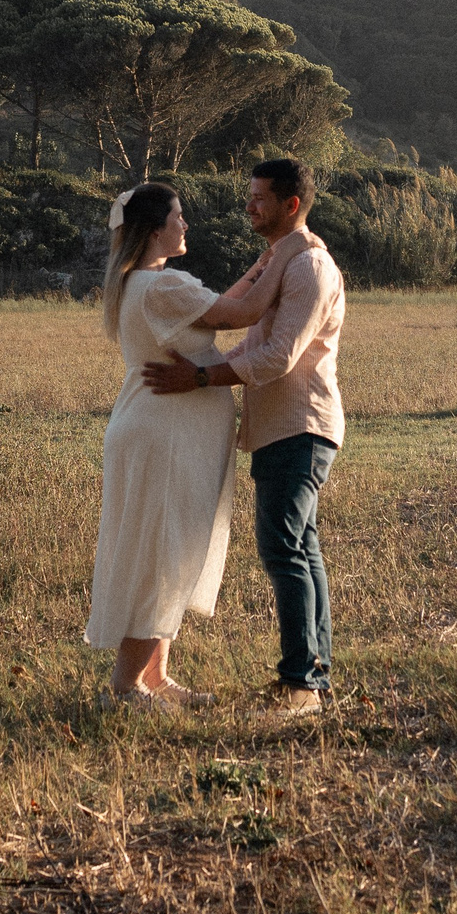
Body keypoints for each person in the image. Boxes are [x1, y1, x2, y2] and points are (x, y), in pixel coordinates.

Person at [144, 158, 345, 717]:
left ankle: (302, 685)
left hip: (301, 425)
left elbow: (278, 356)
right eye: (250, 195)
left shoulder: (308, 267)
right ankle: (310, 679)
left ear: (291, 205)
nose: (249, 206)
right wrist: (204, 369)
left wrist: (202, 377)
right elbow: (250, 338)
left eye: (260, 198)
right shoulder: (282, 261)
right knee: (299, 547)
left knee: (284, 547)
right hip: (281, 427)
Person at [86, 181, 275, 712]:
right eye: (178, 217)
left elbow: (222, 305)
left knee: (168, 546)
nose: (185, 224)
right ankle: (126, 688)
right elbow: (240, 314)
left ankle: (157, 677)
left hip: (159, 429)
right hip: (164, 434)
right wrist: (286, 259)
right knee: (160, 552)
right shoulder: (162, 286)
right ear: (155, 230)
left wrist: (262, 264)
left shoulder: (144, 284)